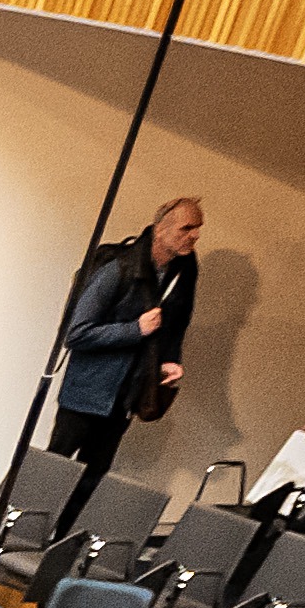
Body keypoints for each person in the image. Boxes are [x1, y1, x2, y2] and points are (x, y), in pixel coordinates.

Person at [51, 195, 207, 460]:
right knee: (52, 470)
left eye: (198, 228)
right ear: (160, 229)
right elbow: (77, 334)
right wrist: (135, 329)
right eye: (186, 228)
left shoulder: (184, 273)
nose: (195, 236)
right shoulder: (119, 268)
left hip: (126, 398)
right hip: (85, 395)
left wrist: (169, 360)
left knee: (93, 475)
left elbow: (177, 325)